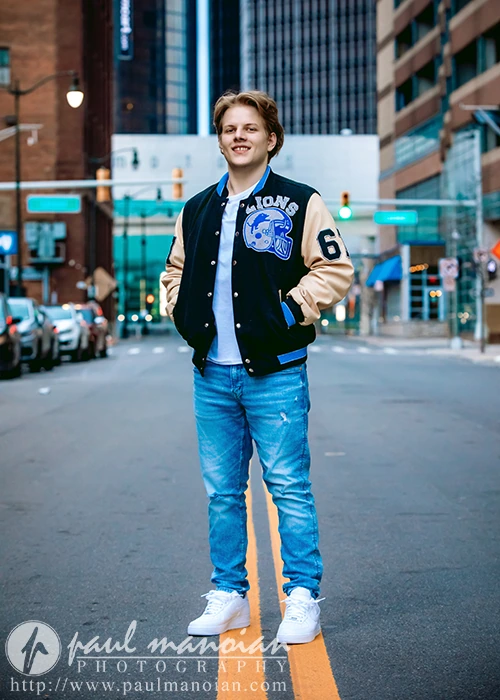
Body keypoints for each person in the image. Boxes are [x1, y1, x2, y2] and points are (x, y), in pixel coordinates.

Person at [162, 90, 354, 644]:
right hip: (212, 374)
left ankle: (301, 597)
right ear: (220, 140)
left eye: (251, 128)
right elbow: (174, 270)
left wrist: (289, 310)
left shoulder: (300, 202)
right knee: (222, 491)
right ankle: (230, 596)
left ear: (272, 138)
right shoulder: (196, 207)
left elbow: (334, 269)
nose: (239, 136)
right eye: (229, 129)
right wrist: (183, 313)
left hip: (276, 372)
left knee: (288, 486)